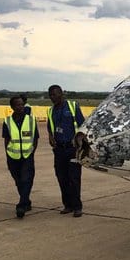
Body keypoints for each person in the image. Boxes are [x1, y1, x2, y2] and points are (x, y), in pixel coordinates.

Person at [46, 84, 85, 217]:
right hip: (59, 150)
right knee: (61, 178)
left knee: (74, 178)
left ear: (61, 94)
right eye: (50, 95)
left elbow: (82, 126)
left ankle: (77, 206)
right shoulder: (51, 111)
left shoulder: (73, 107)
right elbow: (50, 127)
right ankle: (67, 205)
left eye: (55, 94)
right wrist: (51, 136)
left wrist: (81, 144)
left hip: (72, 148)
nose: (53, 97)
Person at [3, 96, 38, 218]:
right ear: (12, 107)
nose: (20, 107)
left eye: (22, 105)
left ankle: (21, 206)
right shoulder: (7, 121)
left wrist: (32, 151)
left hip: (27, 155)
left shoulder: (31, 120)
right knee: (18, 181)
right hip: (13, 156)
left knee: (26, 179)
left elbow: (35, 138)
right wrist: (7, 154)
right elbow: (6, 140)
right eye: (17, 105)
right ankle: (26, 201)